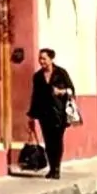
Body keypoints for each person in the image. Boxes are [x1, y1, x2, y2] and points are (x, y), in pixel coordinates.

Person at [27, 48, 76, 179]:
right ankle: (51, 168)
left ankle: (56, 168)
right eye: (40, 58)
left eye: (44, 58)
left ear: (51, 59)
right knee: (48, 142)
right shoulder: (37, 77)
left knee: (57, 140)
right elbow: (35, 96)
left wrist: (61, 92)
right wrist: (31, 115)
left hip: (59, 113)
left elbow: (72, 90)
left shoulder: (61, 73)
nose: (41, 61)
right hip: (44, 113)